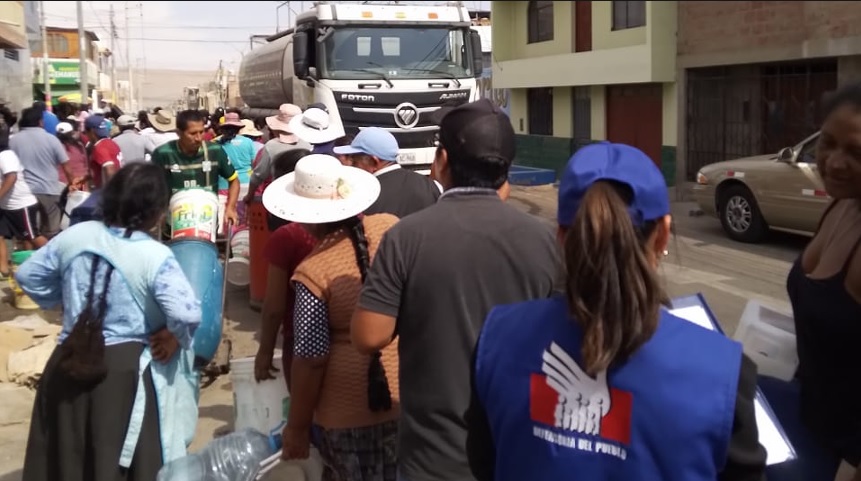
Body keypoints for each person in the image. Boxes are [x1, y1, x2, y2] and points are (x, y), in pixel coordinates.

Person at [466, 141, 767, 481]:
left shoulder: (498, 338)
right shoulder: (724, 371)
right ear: (663, 234)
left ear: (562, 238)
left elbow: (484, 463)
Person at [351, 98, 559, 481]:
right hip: (520, 448)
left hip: (433, 458)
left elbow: (369, 335)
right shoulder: (545, 241)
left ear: (441, 160)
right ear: (506, 170)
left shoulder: (405, 237)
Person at [18, 162, 202, 481]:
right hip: (124, 371)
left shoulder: (74, 235)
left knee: (69, 457)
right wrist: (174, 336)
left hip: (67, 359)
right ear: (158, 211)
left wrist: (67, 305)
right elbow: (187, 313)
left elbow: (28, 275)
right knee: (115, 458)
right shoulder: (154, 255)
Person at [265, 154, 400, 480]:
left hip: (344, 414)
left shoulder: (312, 272)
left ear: (306, 217)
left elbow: (311, 359)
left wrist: (296, 428)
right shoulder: (391, 229)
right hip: (405, 397)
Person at [768, 81, 861, 481]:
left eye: (856, 152)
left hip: (843, 457)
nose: (835, 162)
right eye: (828, 144)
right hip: (803, 419)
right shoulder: (841, 205)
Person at [253, 149, 316, 389]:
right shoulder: (360, 224)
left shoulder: (287, 237)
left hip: (301, 342)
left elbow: (273, 307)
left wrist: (265, 352)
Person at [151, 109, 240, 226]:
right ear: (179, 133)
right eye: (192, 133)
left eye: (201, 132)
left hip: (207, 223)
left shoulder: (215, 151)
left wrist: (231, 208)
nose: (198, 138)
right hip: (173, 224)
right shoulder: (163, 153)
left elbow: (234, 180)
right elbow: (152, 186)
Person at [334, 127, 440, 218]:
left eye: (355, 161)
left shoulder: (363, 197)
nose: (353, 166)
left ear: (373, 162)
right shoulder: (432, 186)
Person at [10, 107, 75, 238]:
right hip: (49, 190)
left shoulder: (13, 140)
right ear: (40, 122)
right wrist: (71, 183)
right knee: (52, 230)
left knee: (30, 232)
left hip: (24, 192)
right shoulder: (51, 139)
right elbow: (66, 165)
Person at [0, 113, 47, 276]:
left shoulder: (6, 155)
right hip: (6, 206)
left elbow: (11, 177)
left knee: (33, 236)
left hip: (22, 205)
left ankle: (57, 259)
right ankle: (4, 268)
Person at [245, 103, 311, 203]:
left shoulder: (271, 146)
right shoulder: (307, 144)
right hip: (303, 196)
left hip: (278, 197)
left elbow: (258, 175)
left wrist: (249, 196)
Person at [83, 115, 122, 189]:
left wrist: (108, 195)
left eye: (85, 132)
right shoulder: (111, 143)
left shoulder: (100, 147)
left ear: (91, 131)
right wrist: (84, 178)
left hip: (108, 193)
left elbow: (109, 168)